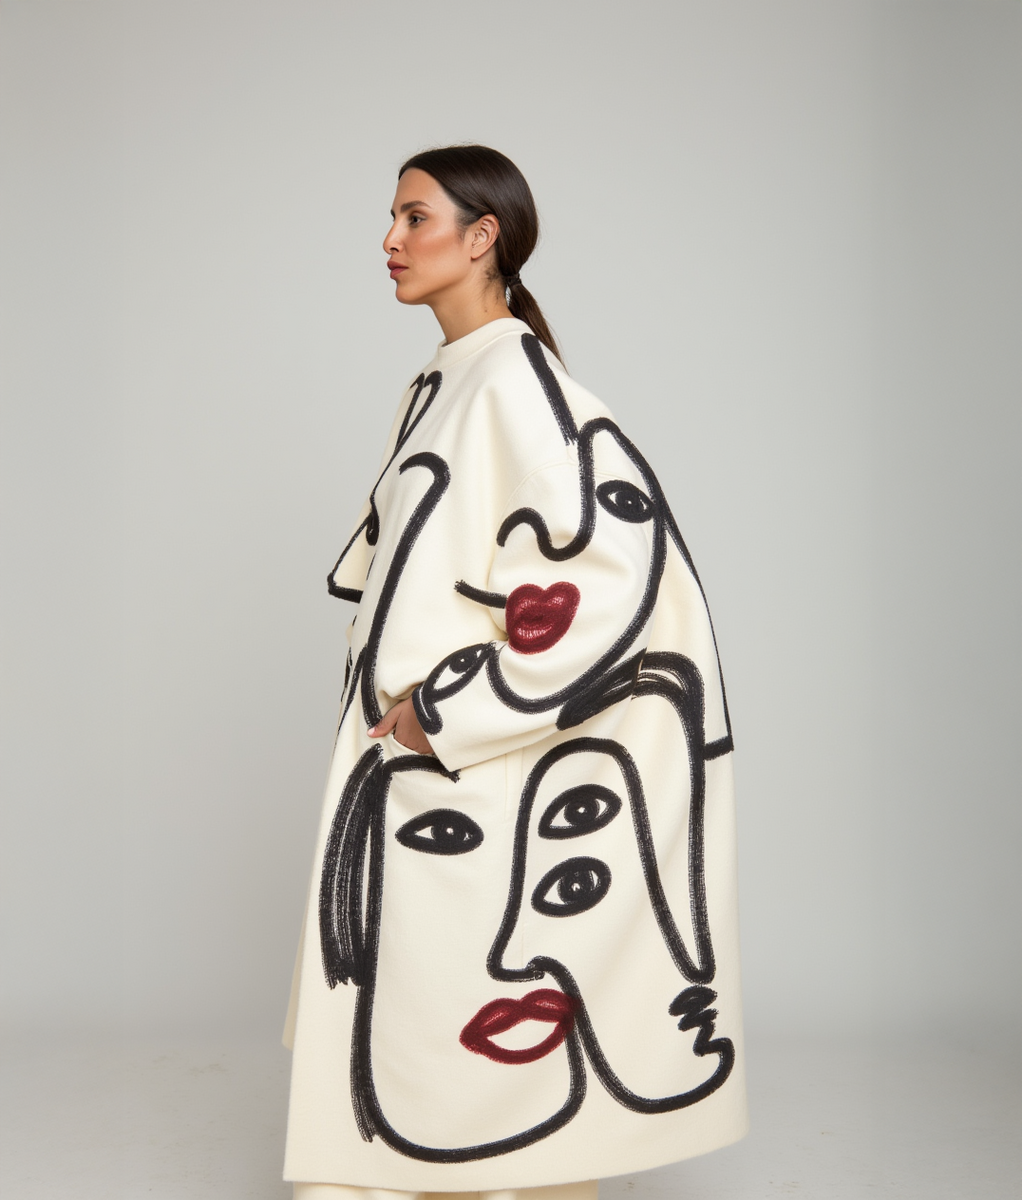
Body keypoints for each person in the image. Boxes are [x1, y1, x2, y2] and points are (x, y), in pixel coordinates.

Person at [282, 145, 747, 1200]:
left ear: (481, 235)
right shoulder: (448, 380)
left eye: (414, 218)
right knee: (423, 999)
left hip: (475, 766)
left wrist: (446, 711)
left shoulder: (518, 386)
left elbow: (612, 580)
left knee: (466, 987)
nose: (389, 241)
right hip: (423, 768)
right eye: (392, 218)